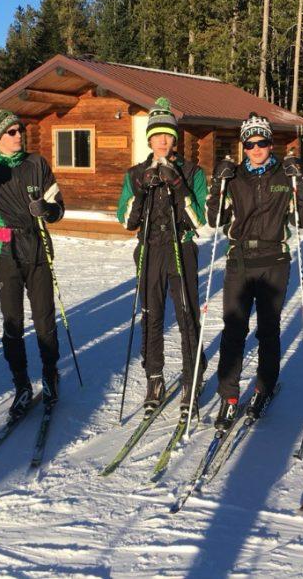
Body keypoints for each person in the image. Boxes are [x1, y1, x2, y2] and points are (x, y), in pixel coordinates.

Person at [207, 114, 303, 430]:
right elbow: (214, 220)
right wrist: (218, 182)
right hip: (239, 260)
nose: (256, 148)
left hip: (274, 261)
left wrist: (301, 181)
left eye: (262, 141)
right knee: (233, 329)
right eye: (250, 143)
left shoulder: (285, 175)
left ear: (270, 143)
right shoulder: (235, 176)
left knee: (268, 330)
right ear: (243, 146)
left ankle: (263, 388)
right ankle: (228, 397)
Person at [0, 109, 65, 417]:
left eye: (20, 130)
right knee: (12, 322)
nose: (19, 135)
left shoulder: (36, 163)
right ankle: (21, 385)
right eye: (12, 132)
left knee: (44, 318)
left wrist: (46, 209)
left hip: (38, 244)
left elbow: (59, 207)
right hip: (5, 245)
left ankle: (50, 373)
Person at [116, 97, 207, 418]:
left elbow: (200, 219)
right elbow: (126, 221)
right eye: (157, 135)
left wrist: (179, 186)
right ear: (150, 139)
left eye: (168, 135)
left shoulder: (193, 172)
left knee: (186, 315)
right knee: (151, 314)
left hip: (181, 248)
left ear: (175, 138)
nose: (163, 141)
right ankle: (154, 378)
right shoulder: (135, 173)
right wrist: (141, 190)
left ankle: (192, 378)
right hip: (150, 249)